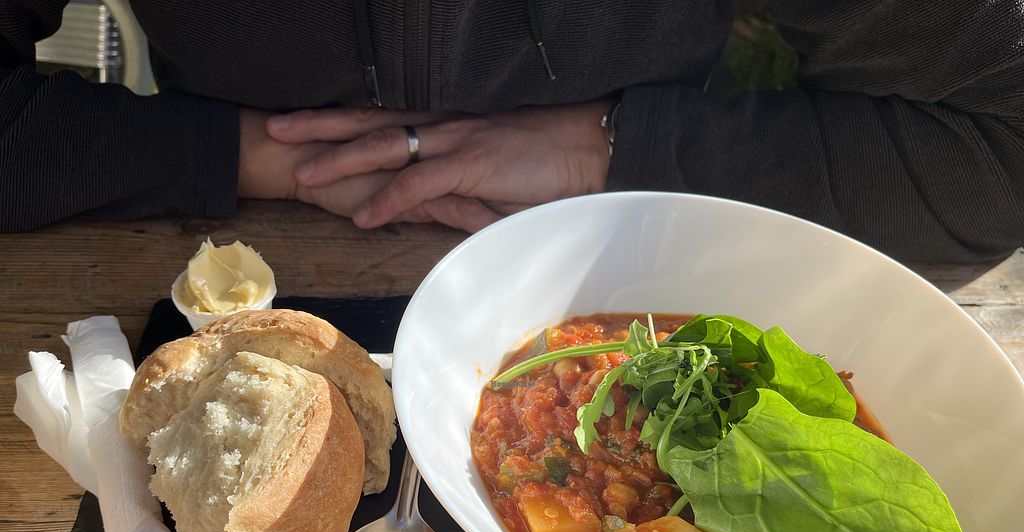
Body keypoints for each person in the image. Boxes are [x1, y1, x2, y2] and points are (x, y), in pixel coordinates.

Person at [1, 0, 1022, 262]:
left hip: (647, 261)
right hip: (208, 260)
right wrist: (255, 153)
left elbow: (1000, 144)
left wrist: (610, 149)